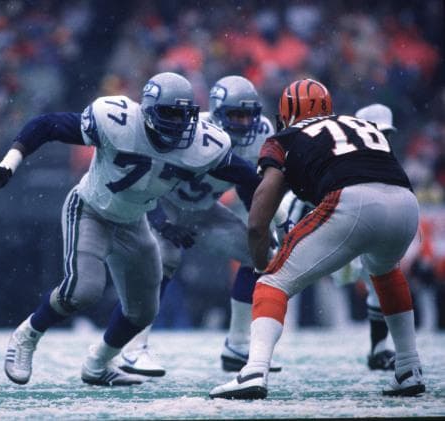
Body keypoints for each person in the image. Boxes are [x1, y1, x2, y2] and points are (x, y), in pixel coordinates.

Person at [0, 72, 261, 386]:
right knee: (83, 291)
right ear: (148, 111)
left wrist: (287, 184)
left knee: (143, 312)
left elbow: (248, 177)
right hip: (91, 210)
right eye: (169, 113)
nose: (178, 123)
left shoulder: (204, 143)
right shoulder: (117, 121)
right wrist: (9, 163)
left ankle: (97, 364)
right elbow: (47, 124)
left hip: (135, 221)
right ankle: (27, 335)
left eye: (184, 114)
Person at [209, 79, 425, 399]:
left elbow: (257, 219)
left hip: (351, 201)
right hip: (406, 204)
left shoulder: (285, 138)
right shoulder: (359, 125)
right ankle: (408, 366)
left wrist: (261, 261)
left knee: (272, 282)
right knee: (385, 271)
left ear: (286, 114)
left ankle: (253, 371)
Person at [114, 76, 283, 377]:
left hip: (203, 210)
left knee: (258, 253)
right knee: (163, 259)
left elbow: (248, 184)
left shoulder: (261, 134)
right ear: (217, 112)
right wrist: (161, 222)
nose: (244, 123)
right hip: (161, 203)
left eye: (249, 115)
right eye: (235, 115)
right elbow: (145, 182)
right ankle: (132, 347)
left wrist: (261, 223)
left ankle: (238, 345)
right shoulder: (190, 128)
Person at [275, 103, 400, 371]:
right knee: (280, 274)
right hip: (319, 234)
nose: (382, 141)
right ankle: (273, 342)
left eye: (386, 135)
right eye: (378, 133)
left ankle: (380, 347)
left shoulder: (383, 169)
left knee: (383, 273)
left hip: (352, 234)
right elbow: (292, 201)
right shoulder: (331, 158)